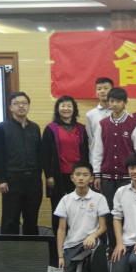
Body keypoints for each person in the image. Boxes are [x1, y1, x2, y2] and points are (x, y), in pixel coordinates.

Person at [90, 87, 136, 252]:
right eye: (112, 101)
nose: (114, 104)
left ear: (125, 102)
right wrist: (97, 174)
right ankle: (111, 245)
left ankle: (128, 245)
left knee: (128, 212)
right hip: (107, 176)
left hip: (127, 177)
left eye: (118, 101)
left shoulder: (133, 123)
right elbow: (97, 150)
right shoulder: (103, 124)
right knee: (108, 212)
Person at [0, 91, 43, 235]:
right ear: (10, 108)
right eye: (16, 103)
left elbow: (39, 154)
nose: (21, 106)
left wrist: (39, 175)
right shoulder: (2, 127)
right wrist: (1, 179)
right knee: (10, 219)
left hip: (33, 179)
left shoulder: (35, 128)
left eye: (24, 103)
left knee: (31, 218)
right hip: (12, 179)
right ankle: (9, 249)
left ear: (28, 106)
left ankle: (31, 248)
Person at [53, 161, 108, 272]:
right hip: (71, 244)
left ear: (91, 178)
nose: (81, 178)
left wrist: (92, 236)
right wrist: (60, 256)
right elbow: (61, 230)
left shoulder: (99, 198)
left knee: (93, 248)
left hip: (91, 242)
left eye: (85, 175)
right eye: (78, 174)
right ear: (72, 178)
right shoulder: (65, 200)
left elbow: (103, 227)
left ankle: (88, 270)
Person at [42, 95, 89, 233]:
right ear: (58, 109)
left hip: (77, 176)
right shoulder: (51, 129)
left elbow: (85, 152)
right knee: (59, 207)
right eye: (63, 106)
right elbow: (44, 154)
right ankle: (58, 238)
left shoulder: (81, 129)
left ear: (74, 109)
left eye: (69, 106)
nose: (66, 109)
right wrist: (49, 175)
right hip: (58, 175)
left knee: (79, 206)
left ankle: (77, 237)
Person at [85, 77, 113, 147]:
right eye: (99, 89)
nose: (102, 91)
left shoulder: (121, 113)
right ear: (96, 92)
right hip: (97, 152)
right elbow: (91, 137)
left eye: (106, 88)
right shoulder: (90, 114)